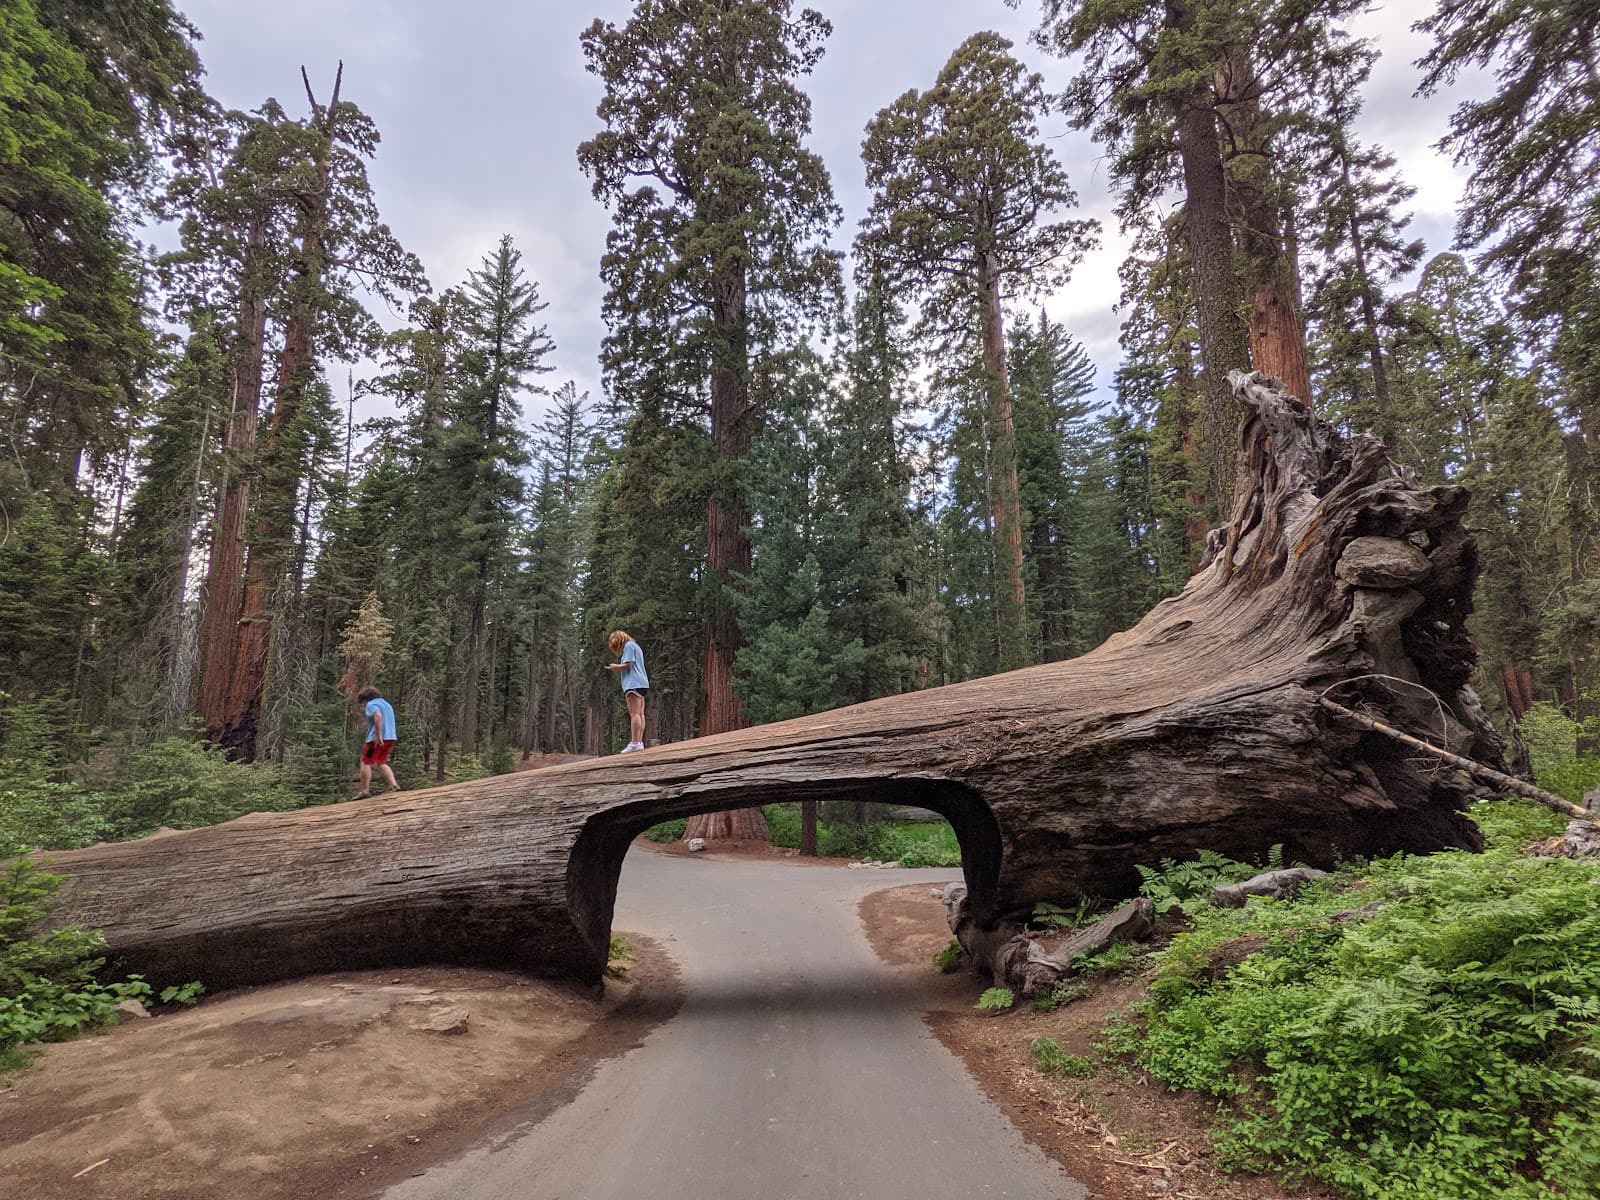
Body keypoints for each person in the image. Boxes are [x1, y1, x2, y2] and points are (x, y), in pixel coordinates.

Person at [605, 630, 649, 753]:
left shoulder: (628, 646)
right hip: (642, 683)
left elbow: (628, 665)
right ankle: (639, 742)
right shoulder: (636, 646)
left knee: (634, 714)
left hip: (633, 683)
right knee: (640, 714)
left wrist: (615, 667)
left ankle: (635, 742)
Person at [355, 686, 399, 797]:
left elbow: (378, 716)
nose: (364, 705)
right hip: (390, 738)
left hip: (375, 740)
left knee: (366, 762)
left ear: (365, 699)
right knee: (381, 762)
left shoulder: (371, 704)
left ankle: (364, 791)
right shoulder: (386, 704)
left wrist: (378, 735)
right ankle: (394, 785)